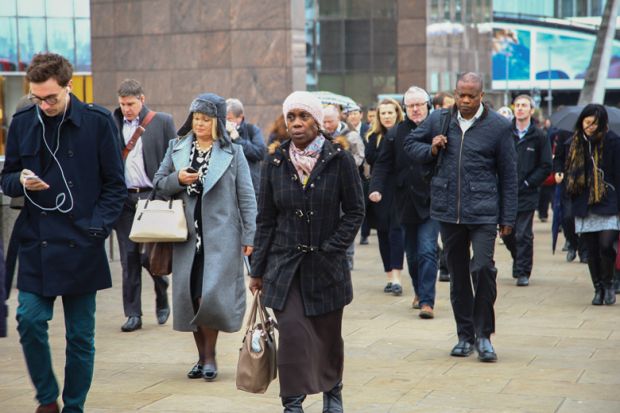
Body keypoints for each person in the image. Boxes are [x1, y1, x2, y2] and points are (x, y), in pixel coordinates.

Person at [0, 52, 126, 413]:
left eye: (50, 97)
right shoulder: (24, 119)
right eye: (36, 98)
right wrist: (20, 180)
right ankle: (46, 399)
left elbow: (115, 186)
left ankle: (73, 407)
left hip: (82, 242)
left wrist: (95, 229)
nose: (44, 104)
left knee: (81, 338)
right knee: (29, 319)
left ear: (69, 86)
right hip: (37, 240)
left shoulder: (99, 122)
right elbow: (6, 178)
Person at [250, 91, 364, 413]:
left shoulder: (339, 159)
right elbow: (266, 220)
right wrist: (257, 270)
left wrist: (332, 249)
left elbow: (355, 211)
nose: (297, 124)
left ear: (317, 121)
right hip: (284, 268)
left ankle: (333, 391)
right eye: (291, 118)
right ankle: (293, 402)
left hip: (327, 267)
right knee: (293, 334)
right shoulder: (274, 162)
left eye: (304, 117)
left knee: (328, 336)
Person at [405, 72, 517, 362]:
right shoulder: (439, 119)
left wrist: (508, 217)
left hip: (483, 212)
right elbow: (410, 146)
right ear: (454, 93)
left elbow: (508, 175)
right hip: (447, 210)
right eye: (460, 95)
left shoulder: (499, 127)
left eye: (471, 96)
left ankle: (484, 335)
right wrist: (431, 148)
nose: (465, 101)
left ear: (482, 96)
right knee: (457, 276)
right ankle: (464, 335)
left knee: (482, 269)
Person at [153, 93, 257, 381]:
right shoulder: (177, 147)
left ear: (217, 123)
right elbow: (159, 184)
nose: (199, 124)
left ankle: (209, 358)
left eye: (205, 119)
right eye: (196, 118)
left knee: (208, 297)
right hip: (185, 238)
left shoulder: (233, 153)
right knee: (190, 299)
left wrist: (250, 235)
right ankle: (202, 358)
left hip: (222, 238)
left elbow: (247, 196)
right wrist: (178, 180)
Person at [369, 86, 438, 318]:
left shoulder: (438, 128)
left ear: (428, 105)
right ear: (405, 109)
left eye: (419, 104)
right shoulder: (396, 132)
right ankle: (419, 291)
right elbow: (383, 164)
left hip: (431, 201)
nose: (416, 109)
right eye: (411, 106)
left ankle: (427, 301)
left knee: (428, 250)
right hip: (404, 201)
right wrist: (376, 188)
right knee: (413, 254)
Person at [112, 79, 175, 332]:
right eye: (123, 104)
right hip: (124, 200)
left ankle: (162, 290)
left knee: (150, 257)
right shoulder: (112, 123)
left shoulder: (162, 122)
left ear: (142, 99)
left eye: (130, 103)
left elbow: (174, 158)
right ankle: (133, 314)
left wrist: (171, 193)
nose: (126, 108)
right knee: (129, 258)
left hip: (152, 198)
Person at [563, 104, 620, 306]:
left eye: (594, 123)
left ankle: (609, 283)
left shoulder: (613, 141)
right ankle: (598, 288)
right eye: (586, 122)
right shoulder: (576, 143)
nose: (590, 127)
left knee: (606, 246)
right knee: (591, 250)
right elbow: (569, 172)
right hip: (583, 203)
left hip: (608, 201)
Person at [500, 95, 552, 287]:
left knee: (523, 234)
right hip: (506, 192)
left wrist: (530, 182)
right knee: (507, 233)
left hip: (527, 192)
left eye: (524, 106)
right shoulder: (505, 132)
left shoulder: (539, 136)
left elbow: (546, 165)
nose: (520, 109)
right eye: (518, 105)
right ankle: (517, 256)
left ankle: (523, 271)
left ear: (531, 110)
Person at [366, 98, 405, 295]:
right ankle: (389, 275)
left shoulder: (405, 133)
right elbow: (371, 159)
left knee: (396, 232)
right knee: (383, 233)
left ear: (397, 113)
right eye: (383, 113)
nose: (387, 116)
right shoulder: (373, 136)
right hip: (379, 189)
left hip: (399, 189)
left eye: (390, 112)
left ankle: (397, 277)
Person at [323, 105, 365, 270]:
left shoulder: (352, 135)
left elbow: (360, 157)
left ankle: (348, 256)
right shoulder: (320, 136)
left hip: (347, 185)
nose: (326, 125)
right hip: (328, 187)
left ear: (339, 119)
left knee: (346, 220)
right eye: (324, 122)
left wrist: (342, 165)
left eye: (330, 122)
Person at [225, 98, 267, 194]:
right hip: (228, 188)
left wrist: (237, 139)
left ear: (240, 117)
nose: (226, 122)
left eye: (229, 119)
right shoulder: (220, 132)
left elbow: (260, 153)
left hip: (250, 186)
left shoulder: (252, 130)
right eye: (224, 119)